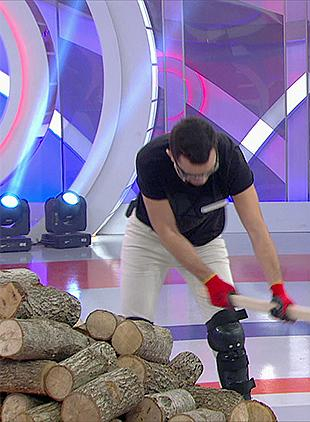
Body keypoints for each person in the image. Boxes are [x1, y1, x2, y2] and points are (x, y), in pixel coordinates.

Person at [120, 117, 294, 398]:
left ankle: (239, 405)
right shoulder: (151, 159)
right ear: (172, 156)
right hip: (150, 240)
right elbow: (167, 232)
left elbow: (257, 229)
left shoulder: (230, 158)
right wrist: (210, 280)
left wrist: (277, 287)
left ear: (215, 153)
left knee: (228, 334)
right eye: (190, 175)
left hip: (205, 241)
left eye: (207, 173)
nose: (200, 181)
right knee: (133, 334)